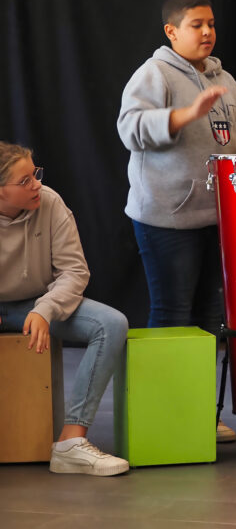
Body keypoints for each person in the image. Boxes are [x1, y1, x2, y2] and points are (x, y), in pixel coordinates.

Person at [117, 0, 236, 443]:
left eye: (211, 24)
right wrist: (184, 115)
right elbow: (130, 129)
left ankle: (198, 413)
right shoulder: (154, 73)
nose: (207, 32)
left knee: (208, 319)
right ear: (172, 31)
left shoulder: (224, 78)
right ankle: (163, 416)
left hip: (218, 216)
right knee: (172, 314)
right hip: (167, 217)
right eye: (196, 25)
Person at [0, 142, 130, 476]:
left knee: (110, 324)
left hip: (35, 303)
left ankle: (71, 442)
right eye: (25, 180)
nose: (37, 185)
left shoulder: (49, 202)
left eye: (35, 174)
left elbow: (74, 271)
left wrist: (45, 309)